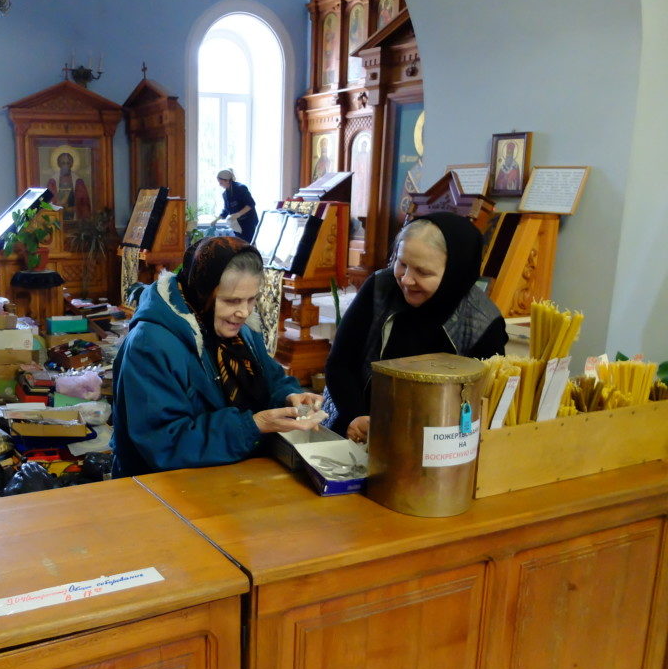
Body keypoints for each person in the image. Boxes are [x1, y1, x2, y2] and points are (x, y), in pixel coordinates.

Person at [112, 235, 323, 477]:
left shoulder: (240, 329)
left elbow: (272, 379)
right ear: (203, 292)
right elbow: (164, 443)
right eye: (231, 301)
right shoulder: (151, 343)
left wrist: (290, 396)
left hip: (232, 473)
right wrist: (252, 426)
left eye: (251, 299)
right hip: (161, 485)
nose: (244, 312)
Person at [324, 211, 507, 444]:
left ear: (455, 273)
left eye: (423, 272)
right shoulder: (380, 287)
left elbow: (482, 402)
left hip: (440, 445)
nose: (406, 280)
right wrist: (354, 415)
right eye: (402, 264)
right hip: (360, 431)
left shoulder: (484, 323)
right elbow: (340, 363)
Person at [47, 150, 91, 221]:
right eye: (63, 163)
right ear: (59, 164)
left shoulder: (78, 181)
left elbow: (84, 202)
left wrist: (75, 208)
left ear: (71, 164)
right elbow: (49, 201)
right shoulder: (53, 182)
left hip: (75, 218)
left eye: (68, 163)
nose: (66, 166)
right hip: (57, 218)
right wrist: (58, 206)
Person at [216, 168, 257, 243]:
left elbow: (250, 204)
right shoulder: (225, 194)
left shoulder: (241, 188)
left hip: (248, 222)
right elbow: (226, 209)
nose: (220, 185)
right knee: (240, 244)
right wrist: (217, 219)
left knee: (249, 244)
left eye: (221, 183)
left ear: (227, 180)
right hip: (237, 224)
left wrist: (238, 214)